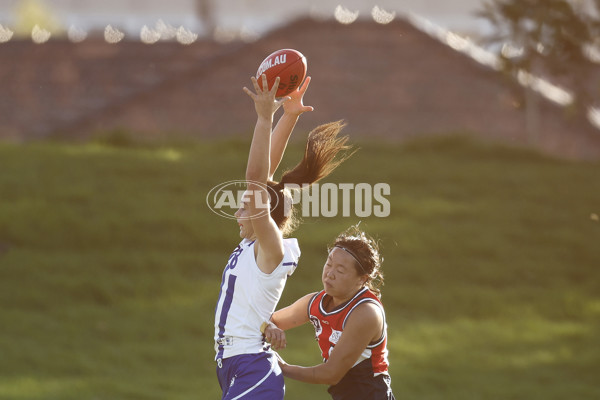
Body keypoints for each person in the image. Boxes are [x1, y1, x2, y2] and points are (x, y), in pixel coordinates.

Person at [214, 74, 354, 400]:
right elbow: (264, 176)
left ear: (264, 215)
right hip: (236, 366)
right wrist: (289, 115)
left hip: (253, 369)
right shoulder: (253, 245)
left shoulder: (270, 249)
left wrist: (265, 119)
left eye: (244, 208)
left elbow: (255, 179)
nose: (237, 214)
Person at [263, 225, 396, 400]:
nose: (330, 274)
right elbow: (268, 320)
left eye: (340, 270)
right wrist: (268, 326)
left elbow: (331, 374)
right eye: (329, 263)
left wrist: (282, 367)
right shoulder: (316, 302)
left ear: (362, 280)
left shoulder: (366, 313)